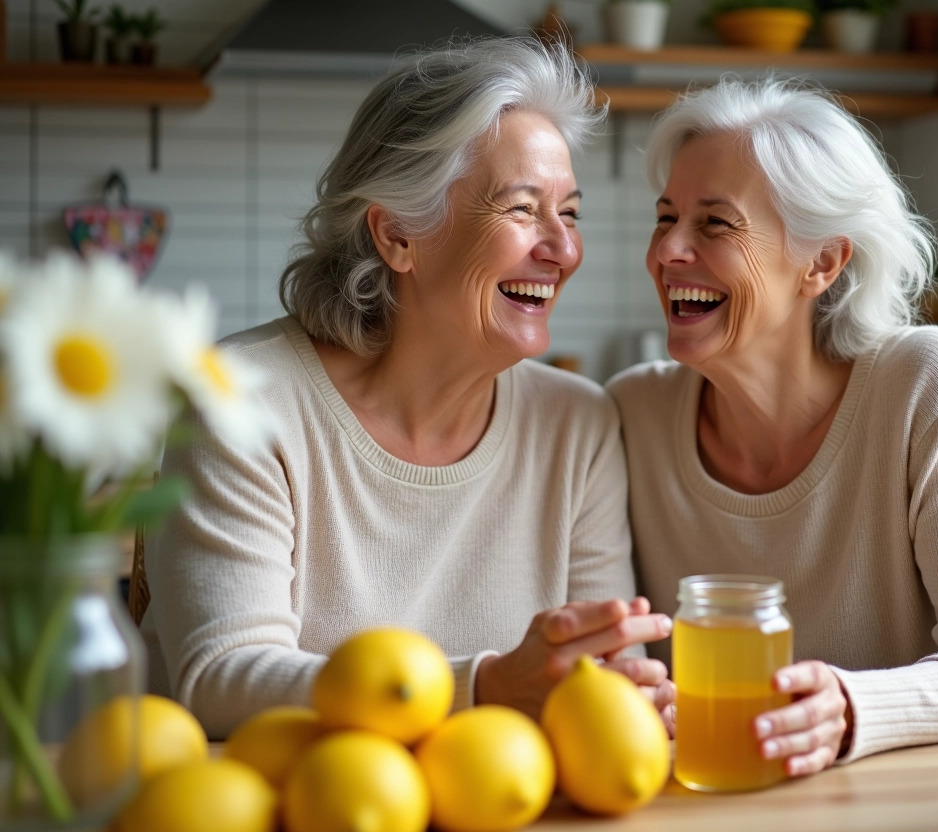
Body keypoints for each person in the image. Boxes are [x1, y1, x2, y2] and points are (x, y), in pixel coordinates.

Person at [141, 37, 674, 738]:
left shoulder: (577, 424)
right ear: (396, 236)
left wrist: (628, 696)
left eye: (569, 213)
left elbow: (602, 677)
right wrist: (480, 688)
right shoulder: (243, 401)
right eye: (522, 209)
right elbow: (222, 680)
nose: (562, 248)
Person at [607, 78, 938, 776]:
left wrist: (851, 708)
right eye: (666, 218)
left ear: (822, 262)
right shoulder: (633, 414)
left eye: (715, 224)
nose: (668, 252)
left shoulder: (920, 383)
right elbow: (622, 669)